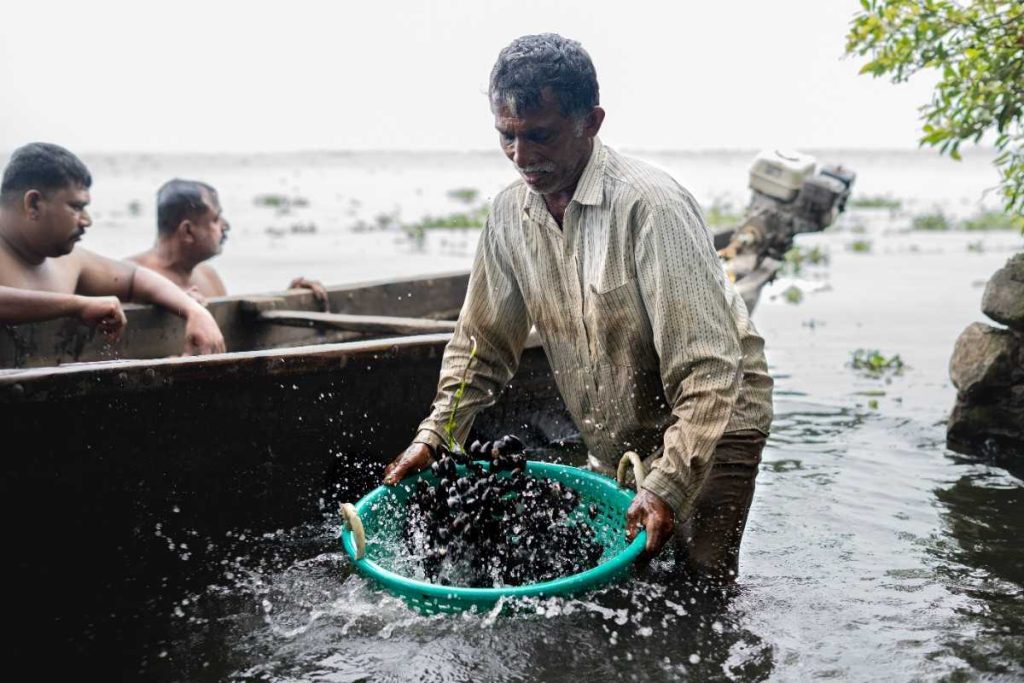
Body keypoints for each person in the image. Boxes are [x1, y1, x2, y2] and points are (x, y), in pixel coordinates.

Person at [382, 34, 774, 583]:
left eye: (539, 135)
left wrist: (665, 484)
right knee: (630, 586)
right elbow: (481, 347)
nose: (522, 157)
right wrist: (437, 433)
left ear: (591, 122)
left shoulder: (651, 207)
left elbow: (709, 368)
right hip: (619, 426)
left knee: (701, 589)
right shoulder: (508, 216)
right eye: (507, 137)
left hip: (716, 416)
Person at [0, 142, 225, 354]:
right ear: (34, 204)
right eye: (76, 207)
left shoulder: (70, 262)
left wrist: (191, 309)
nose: (86, 221)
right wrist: (77, 304)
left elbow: (136, 278)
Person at [128, 179, 328, 308]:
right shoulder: (128, 279)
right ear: (187, 231)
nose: (226, 226)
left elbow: (230, 337)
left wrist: (290, 299)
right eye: (215, 219)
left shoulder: (207, 277)